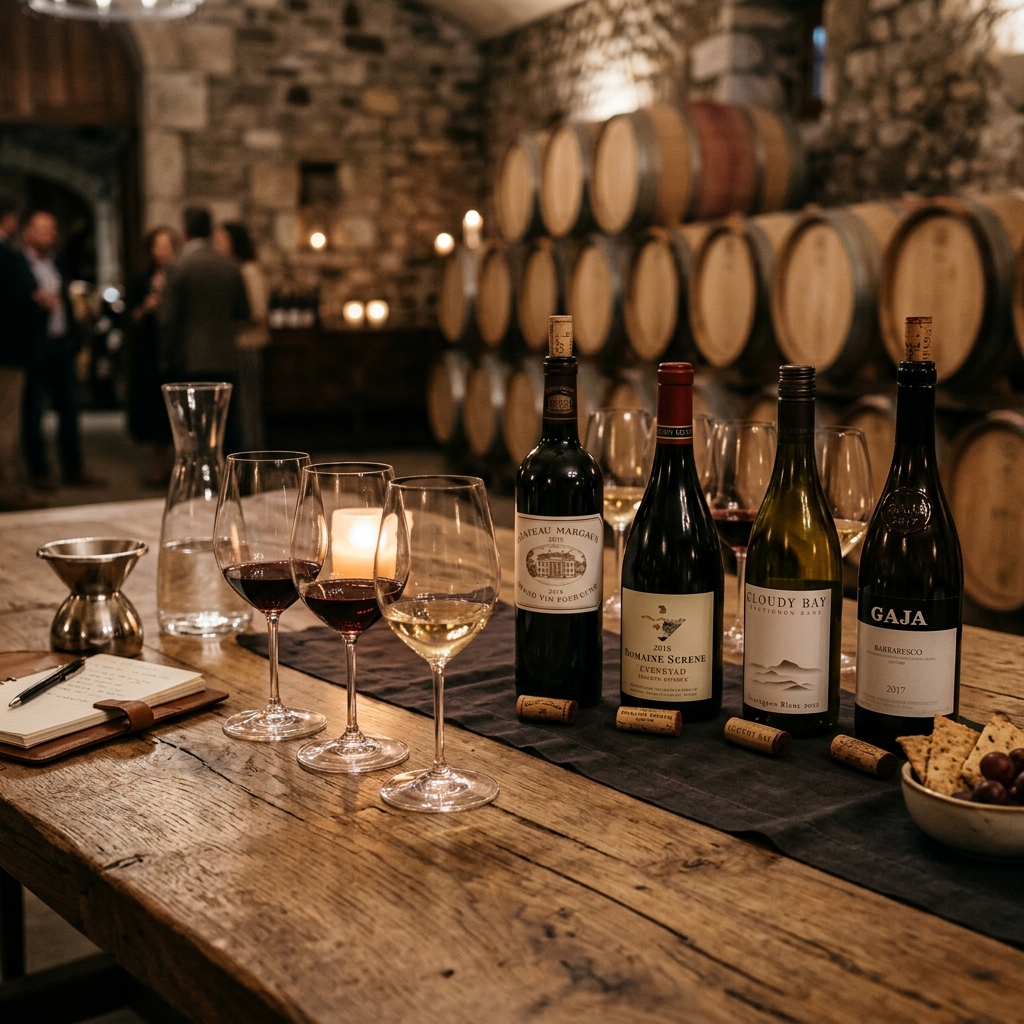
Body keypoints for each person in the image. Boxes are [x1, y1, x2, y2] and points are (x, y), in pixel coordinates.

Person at [159, 207, 249, 454]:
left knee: (195, 430)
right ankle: (235, 484)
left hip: (190, 360)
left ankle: (200, 483)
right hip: (226, 357)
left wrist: (166, 358)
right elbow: (243, 313)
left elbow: (167, 318)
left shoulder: (179, 265)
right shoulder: (230, 265)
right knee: (229, 427)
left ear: (185, 230)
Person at [20, 210, 95, 489]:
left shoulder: (57, 264)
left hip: (62, 345)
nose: (49, 234)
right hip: (35, 347)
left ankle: (73, 468)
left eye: (52, 229)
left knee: (70, 408)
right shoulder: (19, 264)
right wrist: (35, 302)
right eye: (42, 229)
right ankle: (39, 470)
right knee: (35, 411)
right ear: (28, 232)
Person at [128, 226, 179, 486]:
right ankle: (160, 464)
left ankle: (176, 466)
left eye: (167, 246)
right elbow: (131, 318)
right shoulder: (141, 279)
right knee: (154, 409)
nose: (163, 252)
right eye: (158, 247)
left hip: (175, 352)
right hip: (150, 351)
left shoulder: (180, 276)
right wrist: (146, 308)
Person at [213, 222, 269, 450]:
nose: (217, 246)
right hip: (237, 347)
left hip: (248, 346)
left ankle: (254, 459)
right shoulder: (233, 270)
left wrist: (225, 322)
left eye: (221, 240)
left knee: (248, 408)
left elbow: (257, 311)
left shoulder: (249, 271)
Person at [0, 196, 38, 509]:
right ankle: (8, 488)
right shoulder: (6, 255)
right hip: (8, 350)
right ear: (9, 219)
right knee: (7, 422)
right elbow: (17, 300)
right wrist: (35, 299)